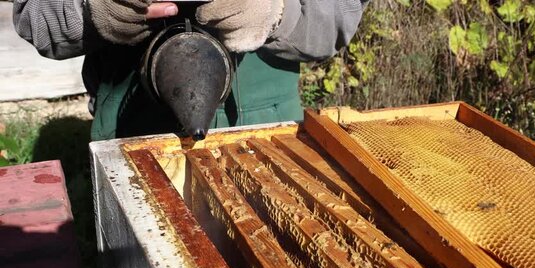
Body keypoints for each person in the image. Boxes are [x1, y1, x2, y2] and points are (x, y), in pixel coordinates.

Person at [13, 0, 369, 140]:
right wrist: (90, 10)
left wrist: (278, 11)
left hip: (266, 131)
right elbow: (34, 15)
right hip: (127, 130)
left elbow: (338, 14)